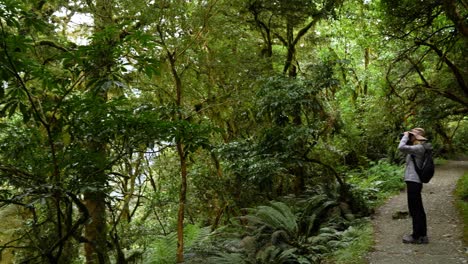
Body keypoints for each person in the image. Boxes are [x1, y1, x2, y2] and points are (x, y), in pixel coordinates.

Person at [398, 127, 432, 244]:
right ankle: (422, 235)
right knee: (418, 209)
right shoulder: (418, 147)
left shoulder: (418, 148)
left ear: (416, 137)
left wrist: (406, 136)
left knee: (415, 209)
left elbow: (401, 147)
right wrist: (408, 137)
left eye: (412, 135)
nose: (409, 136)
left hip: (414, 182)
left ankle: (416, 236)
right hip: (414, 182)